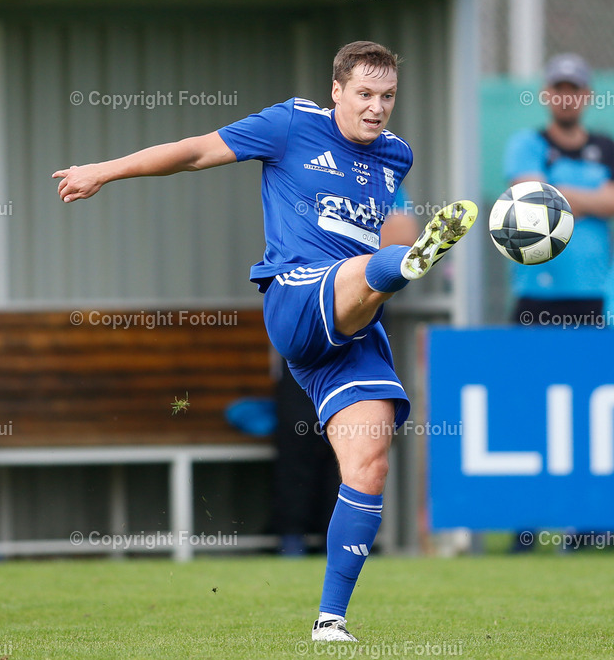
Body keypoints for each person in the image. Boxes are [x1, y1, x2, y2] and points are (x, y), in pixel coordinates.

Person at [54, 40, 477, 642]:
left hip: (350, 331)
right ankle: (402, 265)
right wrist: (103, 170)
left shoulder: (395, 156)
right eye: (364, 94)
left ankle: (331, 622)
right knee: (376, 268)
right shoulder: (291, 124)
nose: (377, 107)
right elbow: (195, 151)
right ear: (336, 91)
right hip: (296, 296)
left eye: (387, 96)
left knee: (369, 463)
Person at [503, 53, 614, 553]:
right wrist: (590, 199)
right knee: (528, 409)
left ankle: (586, 524)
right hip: (536, 299)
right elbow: (528, 198)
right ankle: (526, 524)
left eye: (575, 89)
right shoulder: (527, 143)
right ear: (548, 94)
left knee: (588, 415)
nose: (566, 97)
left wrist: (560, 193)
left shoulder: (605, 147)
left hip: (591, 302)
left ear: (586, 96)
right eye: (559, 88)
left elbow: (603, 201)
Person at [271, 196, 418, 557]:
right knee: (298, 433)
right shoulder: (302, 174)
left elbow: (406, 241)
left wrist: (352, 247)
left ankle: (337, 539)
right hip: (310, 309)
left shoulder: (382, 174)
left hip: (363, 315)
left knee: (359, 441)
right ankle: (291, 536)